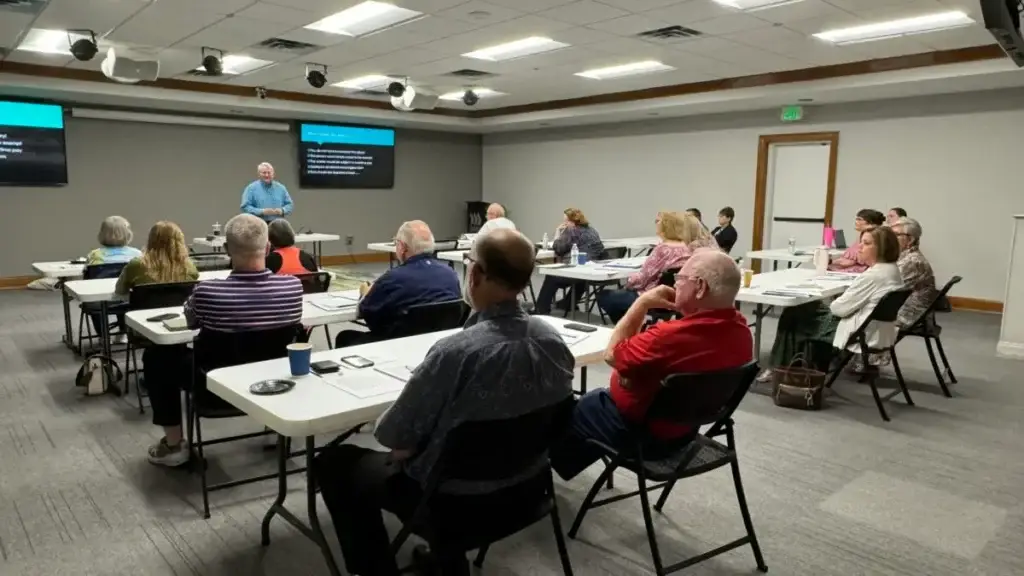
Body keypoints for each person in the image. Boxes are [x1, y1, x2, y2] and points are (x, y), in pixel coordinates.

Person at [314, 229, 575, 576]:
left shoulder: (455, 354)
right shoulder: (553, 341)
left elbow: (392, 435)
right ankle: (445, 558)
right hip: (528, 488)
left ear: (476, 274)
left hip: (448, 501)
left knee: (334, 462)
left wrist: (408, 447)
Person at [551, 249, 752, 481]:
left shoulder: (667, 337)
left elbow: (612, 355)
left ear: (700, 286)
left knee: (571, 406)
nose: (676, 285)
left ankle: (547, 473)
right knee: (596, 404)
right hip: (686, 433)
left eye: (680, 279)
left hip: (643, 438)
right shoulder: (742, 333)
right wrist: (635, 378)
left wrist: (642, 302)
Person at [145, 214, 303, 467]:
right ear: (268, 247)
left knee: (157, 356)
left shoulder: (208, 291)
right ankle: (276, 426)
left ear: (227, 249)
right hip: (275, 382)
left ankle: (174, 446)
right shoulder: (293, 288)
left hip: (216, 388)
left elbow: (191, 322)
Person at [762, 226, 904, 380]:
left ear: (882, 248)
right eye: (861, 242)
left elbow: (838, 309)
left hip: (858, 332)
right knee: (805, 308)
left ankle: (780, 369)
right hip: (877, 330)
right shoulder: (892, 271)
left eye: (866, 243)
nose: (860, 247)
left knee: (793, 314)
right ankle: (791, 368)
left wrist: (836, 303)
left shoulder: (873, 276)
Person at [334, 220, 460, 348]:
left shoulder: (392, 279)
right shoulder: (451, 274)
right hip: (438, 344)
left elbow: (365, 312)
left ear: (402, 247)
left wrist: (366, 293)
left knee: (345, 337)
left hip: (397, 345)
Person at [596, 211, 701, 324]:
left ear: (666, 225)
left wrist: (628, 283)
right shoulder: (689, 248)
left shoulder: (663, 249)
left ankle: (627, 328)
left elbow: (642, 279)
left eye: (658, 221)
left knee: (604, 296)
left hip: (654, 297)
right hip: (678, 297)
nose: (655, 223)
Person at [534, 208, 605, 315]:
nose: (564, 224)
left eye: (566, 221)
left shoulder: (572, 231)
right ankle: (567, 304)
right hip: (591, 270)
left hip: (575, 272)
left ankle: (541, 309)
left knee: (551, 276)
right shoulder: (593, 230)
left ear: (572, 221)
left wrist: (558, 233)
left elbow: (558, 249)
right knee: (581, 279)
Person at [891, 217, 937, 329]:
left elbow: (888, 290)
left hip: (908, 316)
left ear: (910, 239)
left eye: (895, 235)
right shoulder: (905, 256)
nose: (889, 239)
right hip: (903, 309)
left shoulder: (912, 262)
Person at [829, 208, 885, 273]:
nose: (856, 221)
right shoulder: (862, 234)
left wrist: (830, 262)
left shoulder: (871, 236)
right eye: (856, 219)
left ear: (870, 222)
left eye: (859, 219)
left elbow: (850, 262)